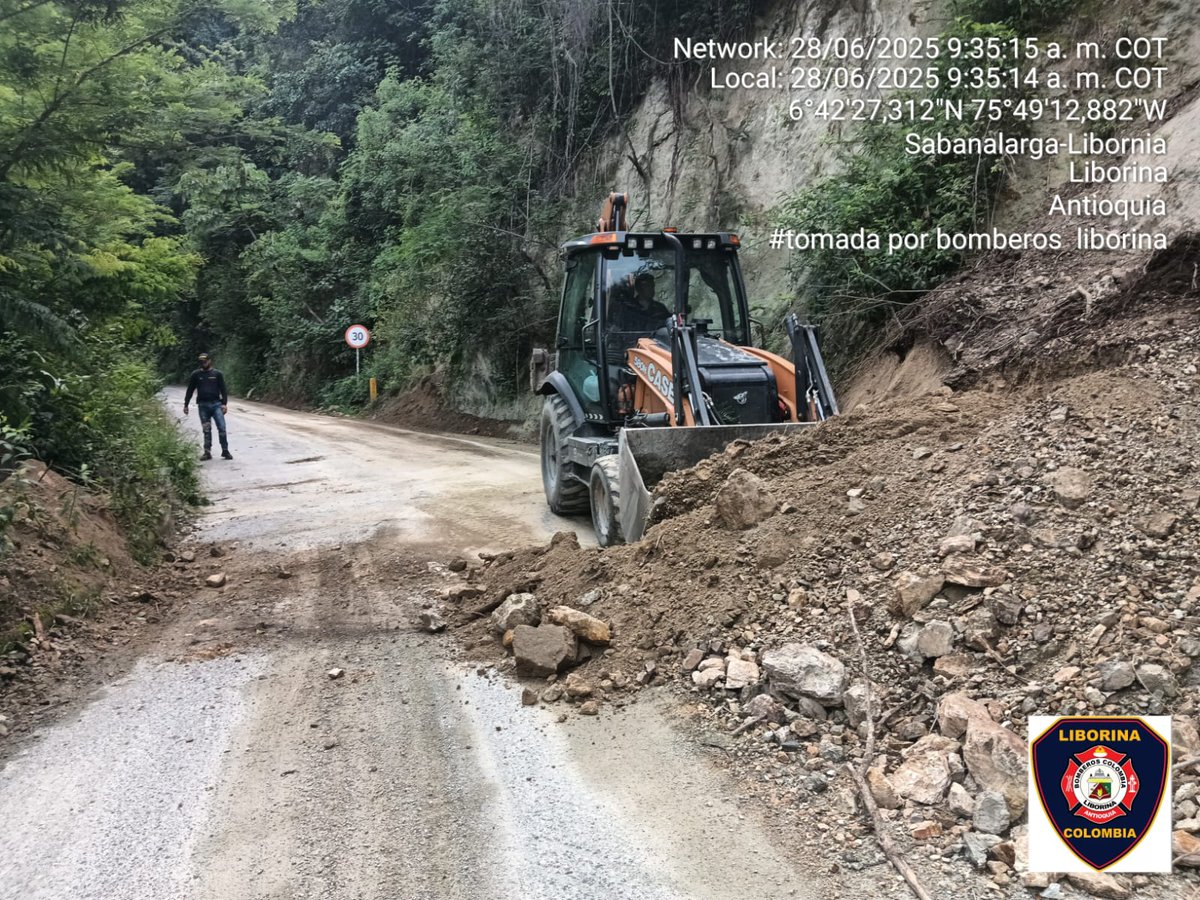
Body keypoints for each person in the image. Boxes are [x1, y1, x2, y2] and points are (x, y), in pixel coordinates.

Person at [183, 353, 232, 460]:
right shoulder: (196, 375)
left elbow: (223, 390)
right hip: (203, 405)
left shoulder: (217, 374)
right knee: (206, 429)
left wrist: (224, 404)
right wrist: (186, 404)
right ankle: (207, 452)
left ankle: (225, 450)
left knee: (222, 428)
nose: (203, 363)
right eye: (201, 361)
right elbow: (190, 390)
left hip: (216, 405)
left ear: (209, 361)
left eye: (205, 361)